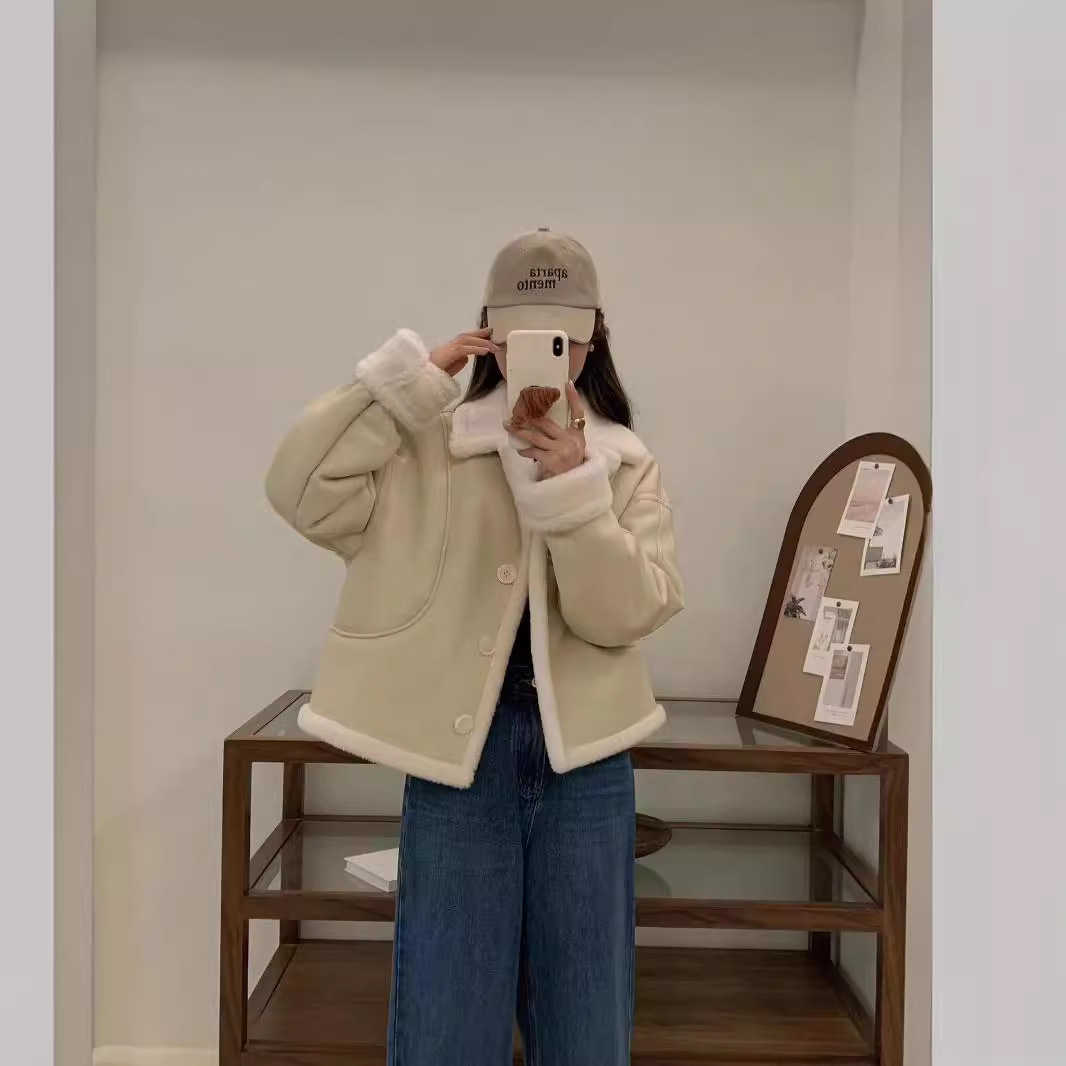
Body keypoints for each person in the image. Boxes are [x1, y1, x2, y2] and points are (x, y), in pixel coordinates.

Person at [265, 228, 684, 1065]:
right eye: (526, 334)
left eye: (564, 337)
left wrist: (575, 489)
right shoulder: (426, 445)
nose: (549, 356)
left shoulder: (622, 461)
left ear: (593, 336)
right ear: (489, 331)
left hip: (587, 760)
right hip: (457, 754)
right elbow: (300, 491)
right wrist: (406, 388)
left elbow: (627, 614)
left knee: (587, 1019)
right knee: (446, 1017)